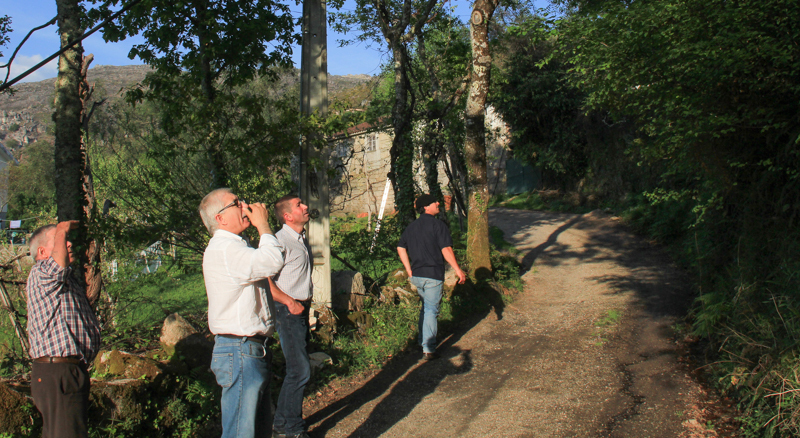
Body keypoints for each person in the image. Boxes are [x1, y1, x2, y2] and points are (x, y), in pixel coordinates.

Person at [199, 188, 285, 438]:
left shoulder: (233, 247)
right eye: (235, 203)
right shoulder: (226, 249)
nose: (244, 205)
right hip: (240, 349)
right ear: (220, 218)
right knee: (242, 433)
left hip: (247, 349)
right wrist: (263, 225)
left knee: (255, 431)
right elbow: (272, 261)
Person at [26, 220, 101, 438]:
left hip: (65, 372)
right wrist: (62, 228)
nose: (68, 244)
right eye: (60, 239)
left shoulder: (64, 279)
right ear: (42, 252)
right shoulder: (42, 272)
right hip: (58, 372)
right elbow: (57, 264)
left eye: (67, 239)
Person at [397, 194, 466, 360]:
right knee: (431, 310)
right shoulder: (438, 225)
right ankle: (428, 349)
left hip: (417, 276)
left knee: (425, 308)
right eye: (434, 202)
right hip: (433, 275)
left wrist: (409, 270)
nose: (438, 203)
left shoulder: (411, 227)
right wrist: (458, 270)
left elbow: (400, 247)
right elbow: (446, 249)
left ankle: (422, 342)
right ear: (426, 207)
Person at [269, 195, 314, 438]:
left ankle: (280, 425)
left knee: (297, 369)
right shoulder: (279, 242)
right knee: (300, 371)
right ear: (287, 216)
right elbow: (264, 280)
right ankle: (293, 430)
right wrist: (289, 302)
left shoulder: (300, 238)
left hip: (299, 309)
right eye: (299, 205)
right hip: (287, 312)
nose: (305, 206)